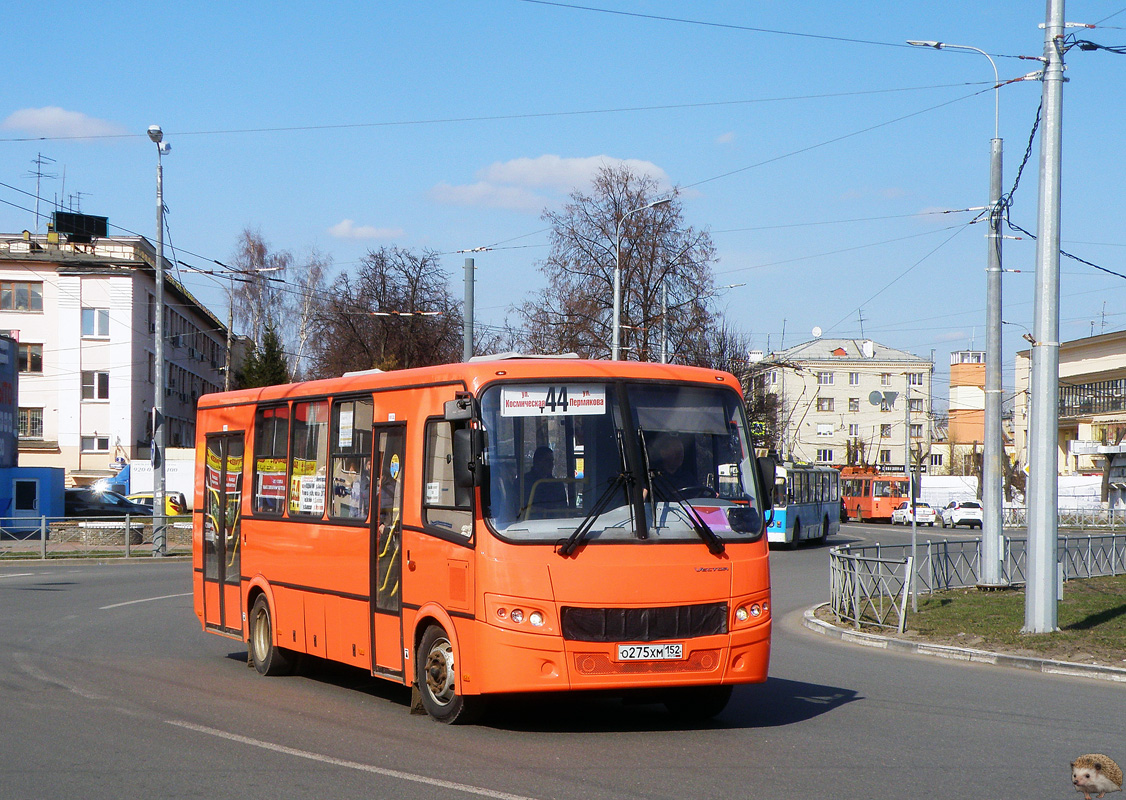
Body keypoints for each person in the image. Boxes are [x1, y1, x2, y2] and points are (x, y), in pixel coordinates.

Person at [523, 446, 567, 510]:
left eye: (552, 461)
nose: (551, 464)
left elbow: (563, 509)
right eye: (547, 461)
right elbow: (522, 508)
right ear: (537, 461)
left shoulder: (557, 484)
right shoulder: (523, 483)